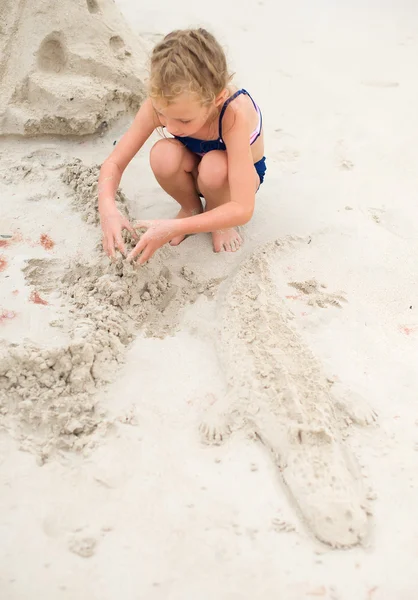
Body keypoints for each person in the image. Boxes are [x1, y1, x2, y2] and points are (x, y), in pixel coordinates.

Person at [98, 28, 266, 265]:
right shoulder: (163, 104)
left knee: (215, 165)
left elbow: (243, 207)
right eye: (163, 115)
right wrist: (108, 211)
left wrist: (173, 227)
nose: (171, 127)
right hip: (196, 164)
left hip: (236, 178)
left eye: (184, 121)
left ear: (216, 99)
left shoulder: (233, 113)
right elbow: (114, 163)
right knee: (162, 154)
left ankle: (218, 214)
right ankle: (191, 208)